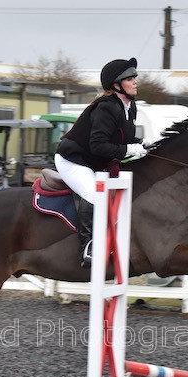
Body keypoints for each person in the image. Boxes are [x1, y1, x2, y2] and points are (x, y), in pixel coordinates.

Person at [55, 57, 147, 266]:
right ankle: (88, 247)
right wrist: (128, 149)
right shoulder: (106, 107)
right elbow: (98, 145)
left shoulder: (129, 107)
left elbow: (120, 139)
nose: (135, 81)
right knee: (95, 194)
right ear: (116, 85)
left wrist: (141, 143)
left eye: (135, 77)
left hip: (92, 161)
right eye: (130, 78)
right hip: (73, 160)